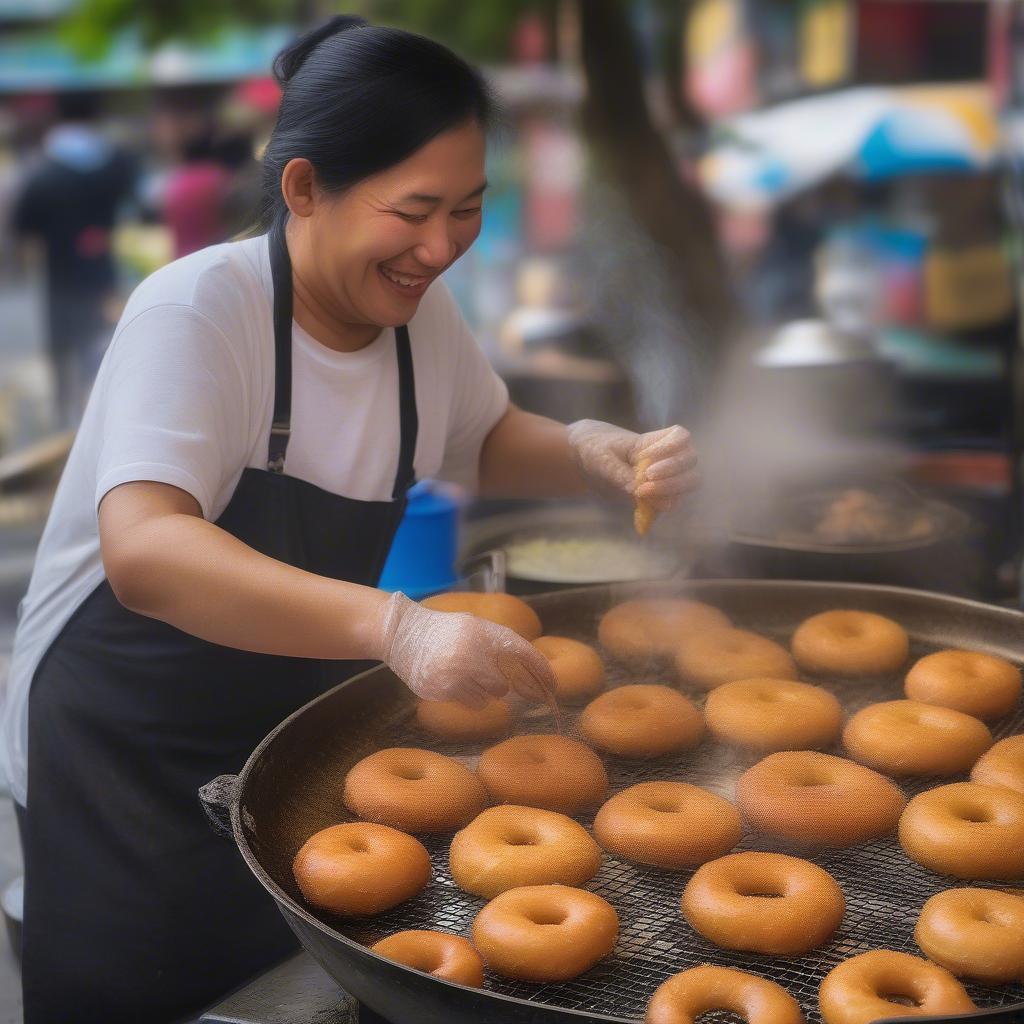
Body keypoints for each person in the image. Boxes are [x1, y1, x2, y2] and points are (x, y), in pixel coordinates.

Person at [1, 17, 698, 1024]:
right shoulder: (199, 312)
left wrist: (590, 448)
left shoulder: (415, 318)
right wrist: (397, 627)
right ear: (304, 189)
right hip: (124, 755)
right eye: (414, 210)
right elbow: (148, 550)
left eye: (468, 209)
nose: (442, 245)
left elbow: (483, 434)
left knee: (289, 992)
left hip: (284, 741)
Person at [11, 89, 137, 428]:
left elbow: (24, 226)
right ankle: (101, 419)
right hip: (103, 270)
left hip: (60, 274)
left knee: (62, 349)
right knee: (101, 349)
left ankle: (64, 421)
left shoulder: (42, 171)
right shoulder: (117, 163)